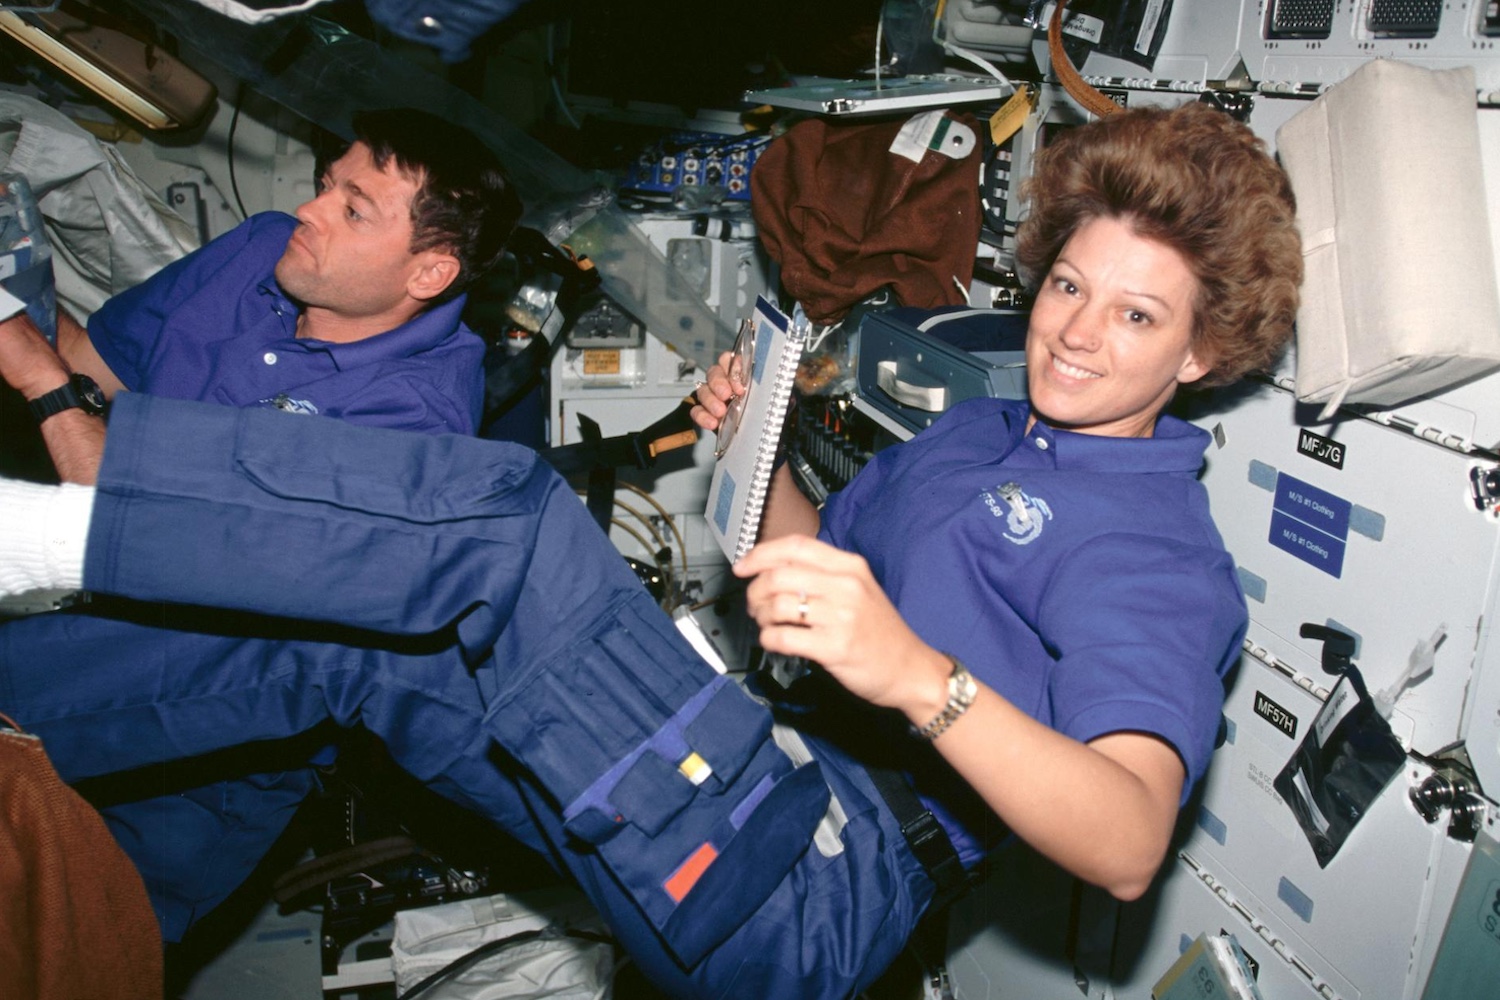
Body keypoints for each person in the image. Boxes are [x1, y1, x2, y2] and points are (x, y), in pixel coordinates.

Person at [0, 101, 1301, 998]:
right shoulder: (977, 441)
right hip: (749, 762)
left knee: (504, 517)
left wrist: (920, 676)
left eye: (1135, 315)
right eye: (1068, 287)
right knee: (353, 642)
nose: (1075, 334)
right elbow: (800, 568)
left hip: (813, 881)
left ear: (1198, 353)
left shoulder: (1154, 550)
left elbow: (1128, 836)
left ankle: (78, 515)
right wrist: (764, 455)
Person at [0, 106, 523, 941]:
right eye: (327, 186)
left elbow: (157, 542)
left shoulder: (415, 427)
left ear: (428, 273)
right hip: (69, 625)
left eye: (353, 210)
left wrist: (33, 376)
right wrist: (15, 285)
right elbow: (93, 372)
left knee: (59, 952)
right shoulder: (262, 251)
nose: (310, 212)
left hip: (198, 761)